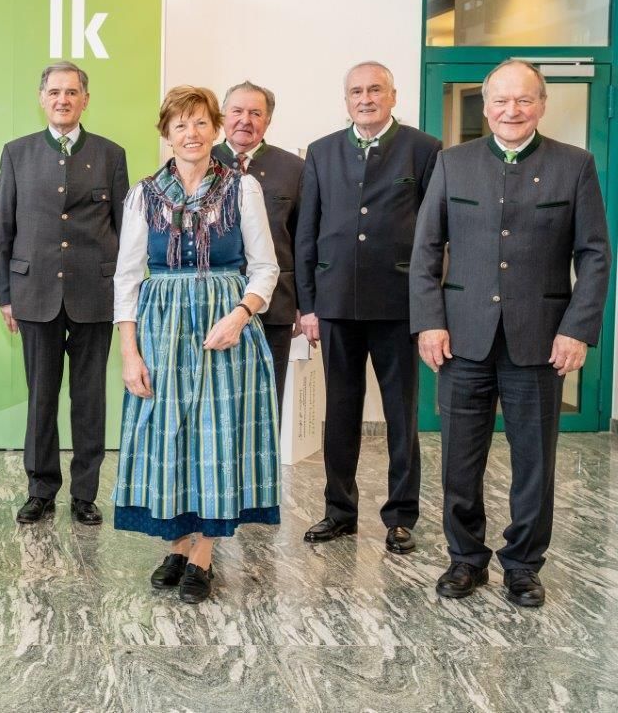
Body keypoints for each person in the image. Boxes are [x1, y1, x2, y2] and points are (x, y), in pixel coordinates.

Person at [412, 59, 610, 607]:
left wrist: (578, 330)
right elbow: (426, 249)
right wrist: (429, 319)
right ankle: (465, 559)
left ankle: (523, 565)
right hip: (462, 338)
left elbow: (594, 256)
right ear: (486, 105)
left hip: (540, 340)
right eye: (500, 100)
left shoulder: (575, 166)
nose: (511, 110)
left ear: (541, 105)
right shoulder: (452, 164)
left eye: (523, 100)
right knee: (458, 459)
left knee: (534, 462)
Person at [113, 85, 280, 604]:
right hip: (160, 326)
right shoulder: (143, 193)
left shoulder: (242, 189)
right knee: (170, 436)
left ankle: (202, 555)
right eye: (180, 124)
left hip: (221, 327)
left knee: (214, 438)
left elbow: (265, 266)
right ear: (165, 133)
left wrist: (240, 315)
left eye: (201, 123)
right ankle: (179, 544)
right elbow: (126, 276)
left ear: (217, 130)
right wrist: (130, 352)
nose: (191, 133)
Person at [295, 61, 439, 555]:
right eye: (356, 90)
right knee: (339, 411)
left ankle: (401, 517)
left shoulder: (424, 150)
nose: (365, 97)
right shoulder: (321, 152)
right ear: (346, 99)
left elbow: (435, 233)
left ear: (393, 96)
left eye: (375, 89)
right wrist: (309, 305)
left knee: (401, 413)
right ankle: (339, 511)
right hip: (335, 304)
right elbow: (306, 234)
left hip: (399, 304)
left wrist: (430, 308)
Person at [0, 61, 128, 526]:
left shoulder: (112, 155)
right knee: (41, 397)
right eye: (54, 92)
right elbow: (3, 228)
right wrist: (4, 295)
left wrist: (125, 294)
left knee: (89, 398)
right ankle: (40, 489)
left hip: (95, 292)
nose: (63, 99)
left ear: (85, 100)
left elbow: (125, 232)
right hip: (34, 293)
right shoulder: (16, 153)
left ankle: (86, 494)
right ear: (42, 97)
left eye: (72, 92)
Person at [211, 81, 303, 399]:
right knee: (215, 399)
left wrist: (304, 305)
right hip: (211, 305)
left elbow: (304, 239)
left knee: (267, 399)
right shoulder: (197, 162)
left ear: (268, 120)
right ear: (222, 115)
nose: (245, 120)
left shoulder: (294, 169)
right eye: (237, 111)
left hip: (274, 306)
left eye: (255, 113)